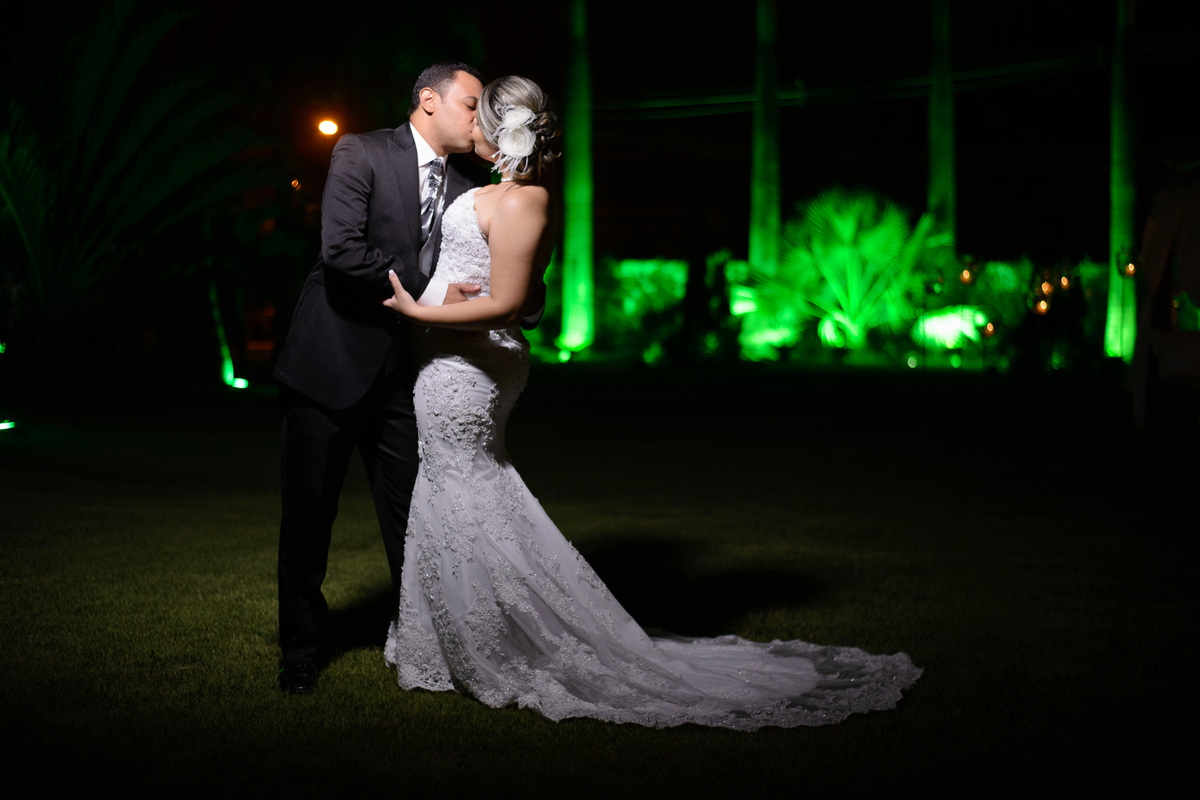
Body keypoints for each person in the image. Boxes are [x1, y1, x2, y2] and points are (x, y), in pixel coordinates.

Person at [381, 76, 922, 729]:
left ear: (500, 130)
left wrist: (422, 312)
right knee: (451, 489)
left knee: (467, 488)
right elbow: (513, 291)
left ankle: (492, 644)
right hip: (450, 359)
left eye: (478, 113)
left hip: (471, 369)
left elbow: (513, 305)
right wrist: (457, 300)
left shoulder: (526, 200)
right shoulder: (497, 193)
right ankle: (449, 638)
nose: (468, 122)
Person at [271, 62, 497, 695]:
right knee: (308, 518)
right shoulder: (361, 152)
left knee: (413, 519)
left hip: (406, 375)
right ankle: (301, 650)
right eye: (471, 104)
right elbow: (342, 251)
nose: (479, 118)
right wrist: (431, 292)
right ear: (428, 100)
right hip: (329, 363)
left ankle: (422, 642)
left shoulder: (471, 182)